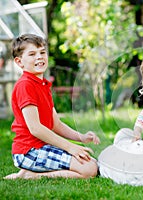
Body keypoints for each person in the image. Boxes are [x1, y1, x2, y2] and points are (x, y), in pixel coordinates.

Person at [4, 34, 100, 180]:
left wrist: (81, 137)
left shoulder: (43, 85)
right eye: (32, 54)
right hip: (29, 151)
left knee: (91, 162)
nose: (39, 57)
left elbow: (56, 125)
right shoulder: (25, 85)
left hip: (42, 146)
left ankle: (32, 173)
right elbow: (35, 128)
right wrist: (70, 147)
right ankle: (30, 176)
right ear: (19, 62)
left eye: (42, 52)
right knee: (90, 170)